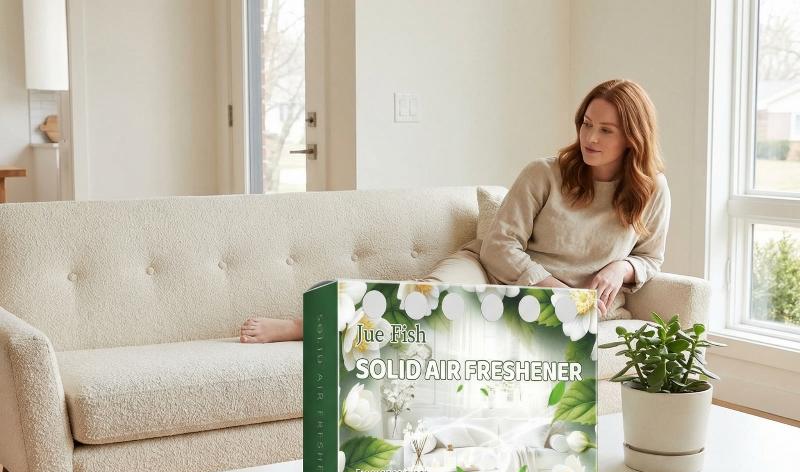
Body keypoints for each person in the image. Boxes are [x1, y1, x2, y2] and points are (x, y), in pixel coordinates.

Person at [239, 77, 669, 343]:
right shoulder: (546, 173)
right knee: (422, 305)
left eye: (606, 130)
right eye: (586, 123)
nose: (590, 137)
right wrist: (553, 286)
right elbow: (499, 246)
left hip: (560, 304)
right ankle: (305, 325)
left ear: (632, 138)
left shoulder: (651, 191)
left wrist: (622, 269)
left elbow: (650, 258)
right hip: (488, 269)